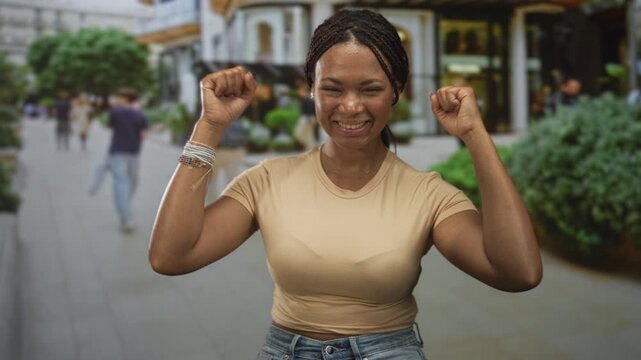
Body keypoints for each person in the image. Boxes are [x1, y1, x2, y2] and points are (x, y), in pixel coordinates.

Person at [148, 9, 542, 359]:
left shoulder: (430, 195)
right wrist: (209, 126)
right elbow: (171, 257)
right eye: (332, 89)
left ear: (395, 92)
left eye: (370, 89)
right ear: (312, 91)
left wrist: (475, 135)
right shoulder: (267, 180)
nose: (350, 106)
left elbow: (518, 273)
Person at [107, 88, 149, 233]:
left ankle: (124, 210)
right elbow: (144, 134)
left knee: (124, 185)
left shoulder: (116, 112)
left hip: (121, 152)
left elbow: (110, 126)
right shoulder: (139, 114)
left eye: (119, 97)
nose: (117, 99)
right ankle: (127, 218)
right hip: (130, 152)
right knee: (129, 183)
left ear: (125, 99)